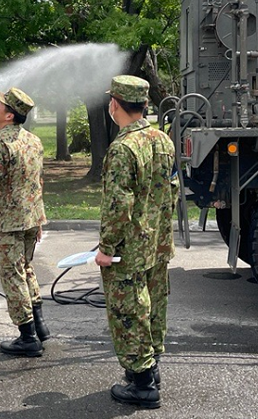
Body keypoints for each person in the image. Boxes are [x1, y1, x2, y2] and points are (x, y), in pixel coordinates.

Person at [94, 75, 177, 409]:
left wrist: (105, 248)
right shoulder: (163, 141)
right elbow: (168, 194)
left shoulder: (123, 148)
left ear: (116, 105)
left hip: (130, 247)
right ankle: (151, 367)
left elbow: (118, 205)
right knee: (154, 304)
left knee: (129, 308)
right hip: (157, 242)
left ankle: (142, 384)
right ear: (144, 105)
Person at [0, 87, 50, 357]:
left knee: (12, 275)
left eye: (0, 104)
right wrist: (39, 220)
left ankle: (27, 337)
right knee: (26, 268)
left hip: (10, 221)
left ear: (9, 115)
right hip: (31, 217)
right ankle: (39, 325)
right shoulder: (34, 141)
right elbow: (37, 182)